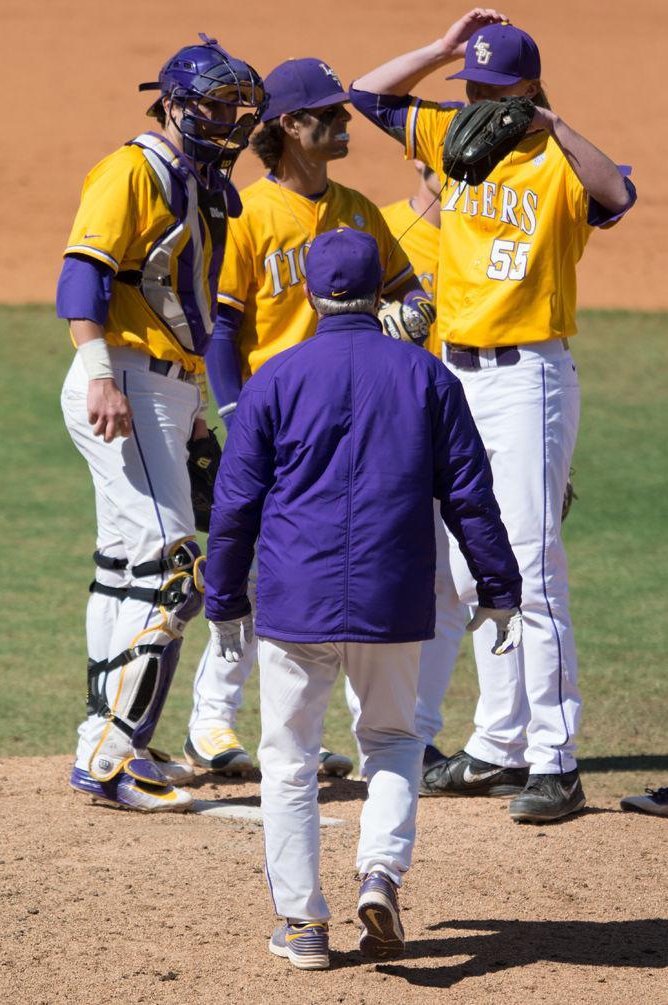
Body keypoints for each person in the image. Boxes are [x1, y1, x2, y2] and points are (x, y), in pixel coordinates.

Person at [204, 226, 522, 969]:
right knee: (394, 740)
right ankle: (380, 871)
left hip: (294, 600)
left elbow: (235, 504)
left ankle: (304, 925)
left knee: (288, 757)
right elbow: (470, 497)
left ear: (312, 294)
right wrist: (500, 590)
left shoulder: (274, 378)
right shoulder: (427, 375)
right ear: (381, 290)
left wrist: (223, 598)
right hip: (393, 597)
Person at [350, 9, 637, 821]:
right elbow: (365, 96)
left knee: (532, 568)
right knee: (473, 566)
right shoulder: (450, 142)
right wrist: (439, 50)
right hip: (454, 375)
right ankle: (497, 746)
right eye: (466, 86)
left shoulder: (558, 165)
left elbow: (619, 195)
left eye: (489, 88)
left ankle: (557, 760)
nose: (474, 100)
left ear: (528, 89)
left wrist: (550, 122)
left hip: (527, 379)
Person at [183, 56, 434, 780]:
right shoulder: (250, 213)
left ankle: (283, 728)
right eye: (327, 114)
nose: (343, 123)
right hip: (275, 420)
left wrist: (410, 319)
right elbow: (224, 329)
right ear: (287, 127)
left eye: (342, 112)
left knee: (305, 579)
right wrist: (233, 415)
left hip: (351, 427)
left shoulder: (359, 210)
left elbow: (413, 293)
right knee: (255, 570)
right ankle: (212, 721)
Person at [58, 35, 265, 812]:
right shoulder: (134, 169)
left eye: (235, 107)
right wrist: (101, 375)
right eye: (216, 105)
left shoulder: (196, 180)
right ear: (176, 104)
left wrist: (194, 415)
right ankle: (116, 758)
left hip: (164, 392)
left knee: (124, 567)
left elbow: (183, 309)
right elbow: (82, 275)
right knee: (174, 567)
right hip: (125, 383)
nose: (230, 120)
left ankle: (108, 744)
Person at [344, 160, 469, 791]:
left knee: (446, 592)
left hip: (449, 422)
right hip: (379, 422)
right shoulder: (384, 228)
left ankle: (414, 732)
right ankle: (216, 722)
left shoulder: (486, 226)